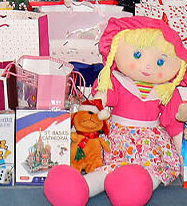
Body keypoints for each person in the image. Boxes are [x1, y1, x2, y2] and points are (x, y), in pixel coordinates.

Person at [45, 17, 187, 206]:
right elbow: (104, 98)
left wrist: (180, 156)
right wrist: (100, 99)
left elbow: (174, 124)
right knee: (105, 169)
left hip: (151, 145)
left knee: (150, 171)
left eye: (160, 61)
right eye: (138, 55)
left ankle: (134, 186)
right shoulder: (117, 80)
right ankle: (79, 188)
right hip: (117, 138)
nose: (147, 66)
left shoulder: (166, 91)